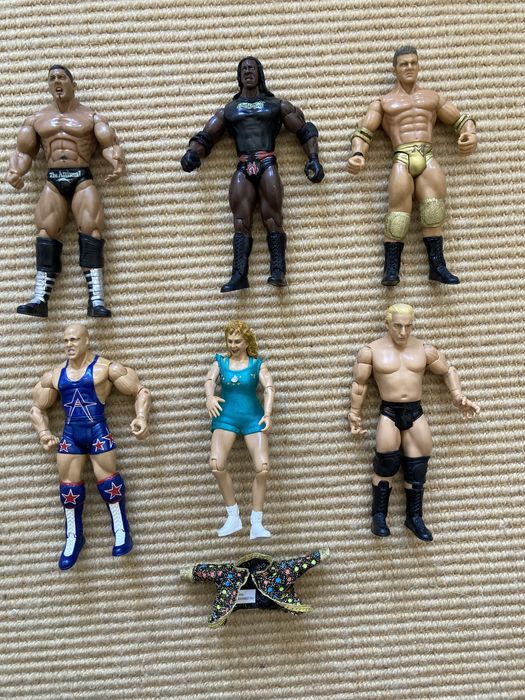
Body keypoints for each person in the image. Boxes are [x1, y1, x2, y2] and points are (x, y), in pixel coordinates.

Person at [181, 56, 324, 292]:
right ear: (239, 76)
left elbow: (304, 130)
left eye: (252, 68)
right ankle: (239, 275)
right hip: (243, 164)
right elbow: (207, 135)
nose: (248, 72)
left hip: (267, 162)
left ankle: (278, 271)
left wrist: (313, 158)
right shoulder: (229, 110)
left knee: (273, 219)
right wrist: (192, 154)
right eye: (244, 69)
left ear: (259, 73)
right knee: (240, 221)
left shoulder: (276, 105)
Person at [347, 46, 477, 286]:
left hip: (427, 156)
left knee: (434, 211)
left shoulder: (432, 97)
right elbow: (364, 132)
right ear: (394, 69)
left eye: (413, 63)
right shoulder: (384, 102)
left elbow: (462, 120)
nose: (409, 67)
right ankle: (391, 270)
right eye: (403, 64)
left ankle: (437, 266)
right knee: (398, 214)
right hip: (402, 157)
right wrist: (358, 154)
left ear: (418, 66)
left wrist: (469, 133)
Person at [348, 304, 479, 541]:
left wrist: (457, 395)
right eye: (397, 326)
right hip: (389, 411)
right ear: (387, 324)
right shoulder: (371, 351)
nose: (403, 332)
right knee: (385, 464)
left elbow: (447, 370)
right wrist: (354, 412)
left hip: (415, 411)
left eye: (408, 326)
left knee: (417, 468)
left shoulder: (424, 349)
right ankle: (379, 516)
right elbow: (360, 384)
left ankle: (414, 517)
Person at [6, 65, 124, 318]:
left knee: (92, 231)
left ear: (73, 84)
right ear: (48, 85)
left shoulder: (91, 117)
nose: (57, 82)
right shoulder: (37, 119)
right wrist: (16, 172)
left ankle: (96, 299)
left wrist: (116, 162)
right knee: (45, 232)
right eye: (52, 79)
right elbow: (24, 152)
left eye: (62, 77)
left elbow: (109, 143)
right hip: (53, 179)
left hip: (81, 177)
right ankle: (40, 299)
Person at [30, 323, 151, 569]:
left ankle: (121, 531)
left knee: (109, 482)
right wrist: (43, 432)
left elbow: (141, 391)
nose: (69, 345)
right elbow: (36, 409)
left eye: (74, 339)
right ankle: (73, 537)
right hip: (71, 434)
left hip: (97, 430)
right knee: (68, 488)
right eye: (66, 340)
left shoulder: (106, 368)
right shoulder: (55, 375)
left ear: (86, 341)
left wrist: (141, 417)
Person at [205, 320, 274, 539]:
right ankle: (233, 515)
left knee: (263, 468)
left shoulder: (257, 364)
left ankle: (257, 522)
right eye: (230, 341)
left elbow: (269, 388)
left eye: (238, 341)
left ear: (246, 342)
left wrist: (268, 413)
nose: (233, 345)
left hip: (253, 418)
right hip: (226, 417)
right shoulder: (221, 362)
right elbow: (209, 380)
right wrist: (209, 397)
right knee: (216, 464)